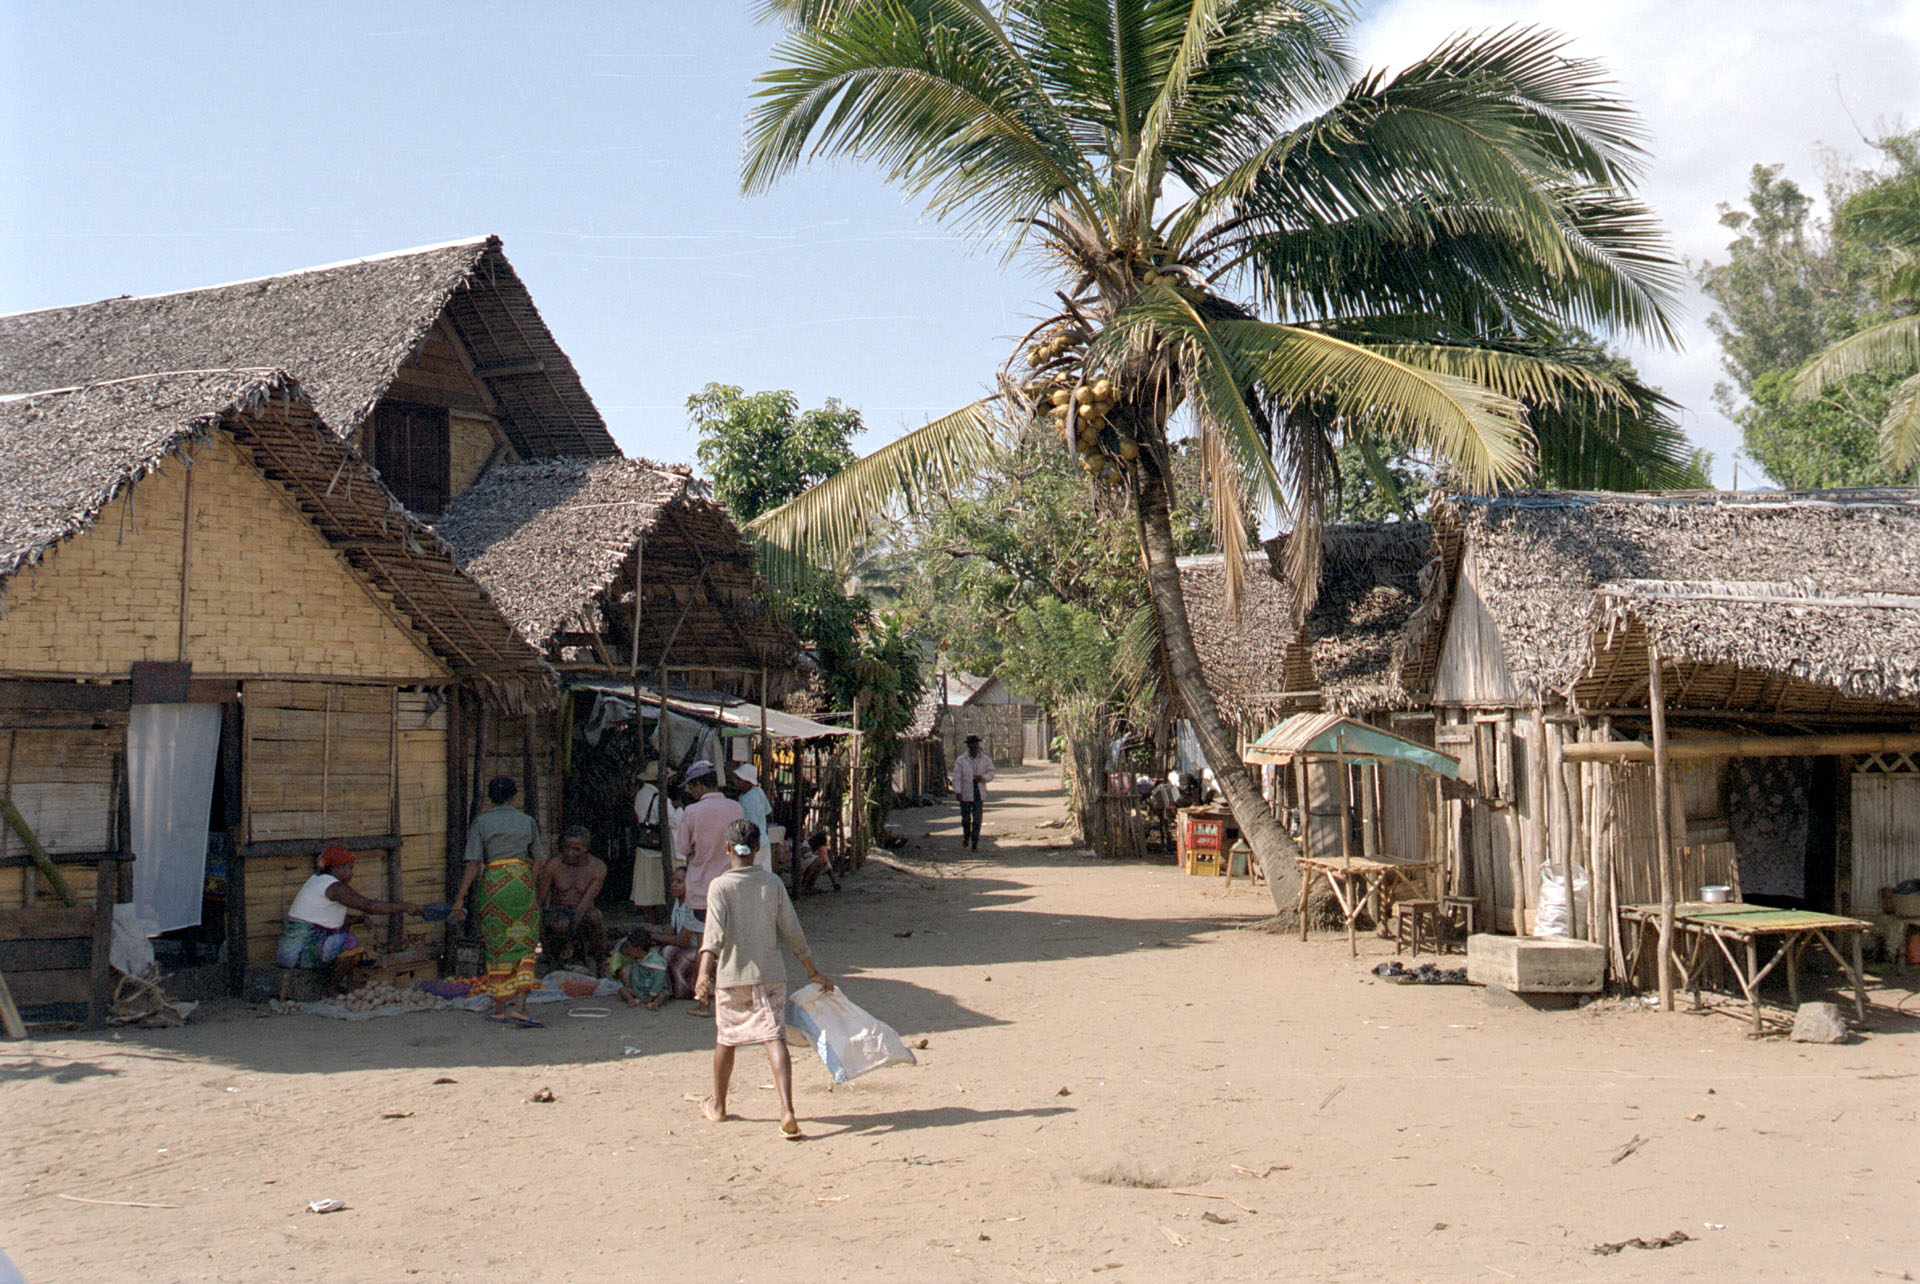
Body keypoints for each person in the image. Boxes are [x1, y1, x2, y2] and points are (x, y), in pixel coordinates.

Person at [694, 818, 834, 1139]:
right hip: (771, 976)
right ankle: (786, 1110)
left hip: (732, 979)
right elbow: (793, 932)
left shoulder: (720, 887)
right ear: (757, 849)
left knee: (726, 1040)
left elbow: (712, 937)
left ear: (727, 849)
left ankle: (719, 1106)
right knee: (775, 1038)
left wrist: (703, 975)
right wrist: (811, 970)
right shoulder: (772, 884)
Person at [451, 776, 545, 1027]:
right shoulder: (528, 822)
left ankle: (501, 1007)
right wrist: (526, 882)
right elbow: (537, 859)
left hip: (494, 887)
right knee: (525, 945)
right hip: (521, 883)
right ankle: (521, 1008)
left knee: (497, 946)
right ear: (515, 796)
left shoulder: (481, 823)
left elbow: (473, 864)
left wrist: (459, 899)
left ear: (490, 798)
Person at [275, 845, 424, 972]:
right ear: (336, 868)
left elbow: (326, 919)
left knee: (343, 932)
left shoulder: (316, 881)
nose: (352, 873)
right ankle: (331, 990)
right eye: (349, 868)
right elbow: (369, 905)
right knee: (350, 943)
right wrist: (405, 906)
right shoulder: (335, 887)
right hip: (297, 955)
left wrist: (360, 919)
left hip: (288, 953)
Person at [673, 759, 744, 1013]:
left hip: (702, 889)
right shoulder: (736, 808)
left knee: (707, 947)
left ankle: (703, 1001)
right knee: (730, 947)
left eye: (691, 788)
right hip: (731, 887)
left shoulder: (692, 812)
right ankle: (732, 999)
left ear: (699, 786)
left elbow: (682, 849)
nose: (691, 793)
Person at [538, 825, 608, 973]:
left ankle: (601, 962)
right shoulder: (553, 865)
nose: (570, 853)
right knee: (561, 923)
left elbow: (585, 904)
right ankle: (555, 961)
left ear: (586, 848)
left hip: (582, 912)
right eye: (566, 848)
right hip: (558, 914)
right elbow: (540, 901)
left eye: (576, 850)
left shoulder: (598, 867)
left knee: (596, 917)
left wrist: (570, 939)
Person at [643, 865, 704, 1001]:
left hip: (694, 950)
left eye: (679, 882)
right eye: (673, 881)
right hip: (683, 948)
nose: (674, 885)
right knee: (653, 951)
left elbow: (682, 940)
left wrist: (655, 937)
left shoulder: (692, 906)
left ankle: (682, 989)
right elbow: (670, 932)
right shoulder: (678, 903)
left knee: (668, 951)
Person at [629, 762, 669, 916]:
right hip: (656, 848)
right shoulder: (659, 798)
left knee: (645, 888)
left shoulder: (640, 794)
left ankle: (649, 918)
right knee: (657, 888)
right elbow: (671, 819)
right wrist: (679, 809)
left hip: (644, 844)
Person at [950, 734, 996, 851]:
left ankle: (975, 842)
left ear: (977, 745)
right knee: (966, 819)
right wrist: (958, 791)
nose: (974, 747)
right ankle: (966, 837)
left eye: (975, 744)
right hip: (965, 792)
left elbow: (991, 772)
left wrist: (983, 778)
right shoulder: (961, 760)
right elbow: (956, 777)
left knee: (977, 819)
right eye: (971, 745)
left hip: (978, 792)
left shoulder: (985, 759)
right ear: (968, 746)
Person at [731, 762, 773, 870]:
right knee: (765, 873)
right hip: (764, 841)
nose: (735, 782)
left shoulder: (746, 801)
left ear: (747, 782)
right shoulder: (759, 792)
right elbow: (768, 813)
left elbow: (748, 826)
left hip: (753, 844)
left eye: (738, 779)